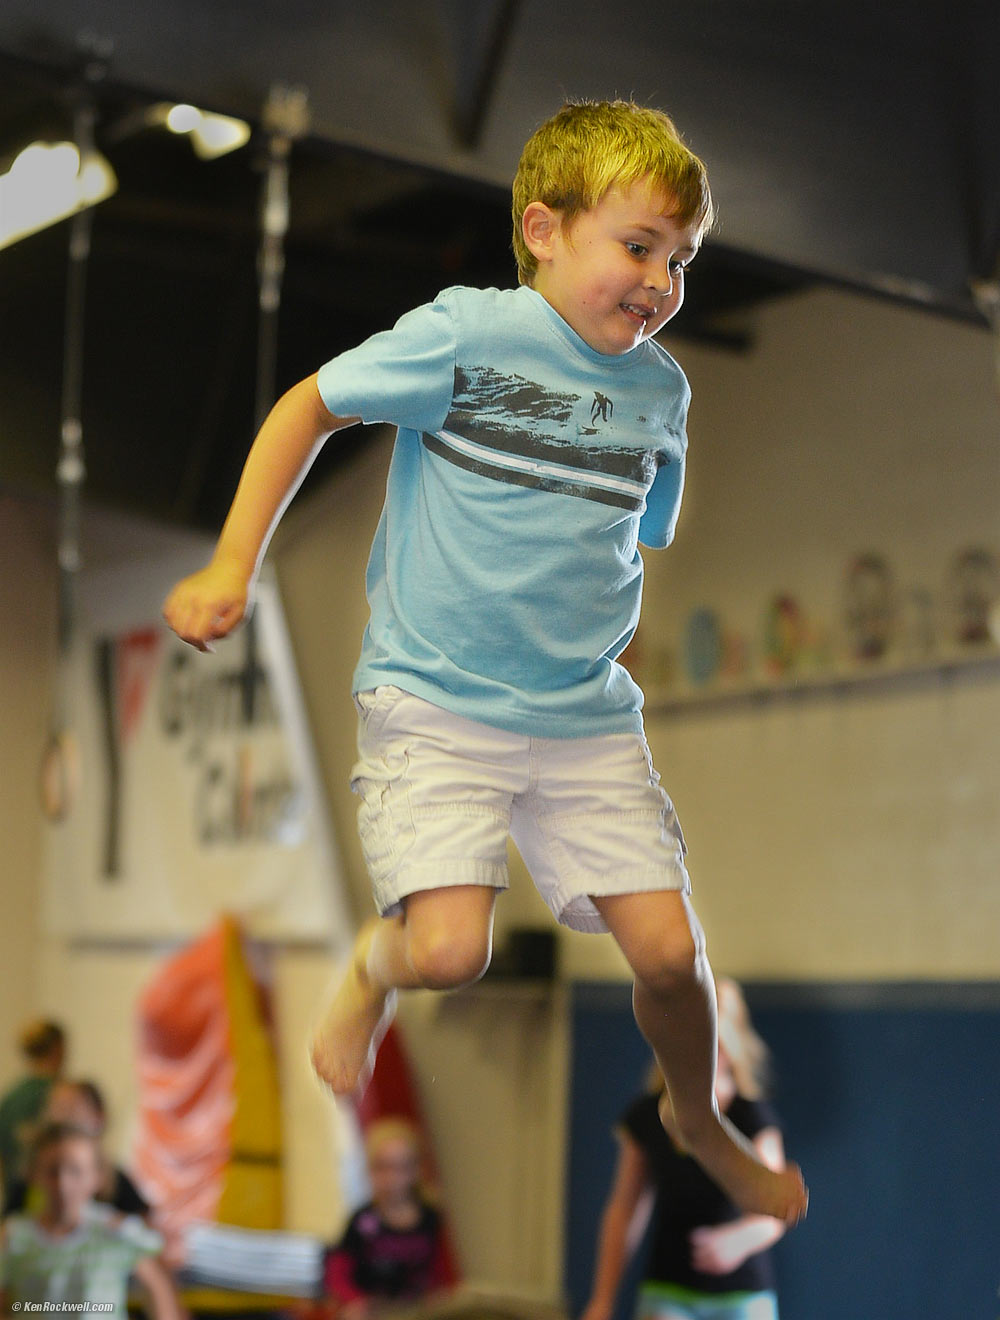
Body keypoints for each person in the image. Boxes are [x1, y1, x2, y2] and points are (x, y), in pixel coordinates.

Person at [162, 98, 808, 1226]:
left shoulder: (662, 394)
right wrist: (230, 567)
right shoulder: (464, 335)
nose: (661, 282)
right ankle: (375, 966)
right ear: (545, 229)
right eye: (639, 246)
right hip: (435, 703)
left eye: (683, 260)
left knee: (668, 955)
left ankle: (694, 1116)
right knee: (451, 951)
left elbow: (623, 539)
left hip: (581, 714)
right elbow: (305, 410)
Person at [580, 980, 791, 1320]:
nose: (702, 1056)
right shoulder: (649, 1115)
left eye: (713, 1045)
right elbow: (625, 1210)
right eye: (692, 1043)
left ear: (729, 1046)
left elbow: (775, 1212)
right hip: (669, 1288)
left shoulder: (751, 1115)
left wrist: (739, 1240)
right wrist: (602, 1300)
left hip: (741, 1291)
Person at [0, 1122, 183, 1318]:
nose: (63, 1183)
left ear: (96, 1176)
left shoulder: (115, 1231)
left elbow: (157, 1285)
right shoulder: (15, 1235)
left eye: (75, 1170)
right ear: (35, 1172)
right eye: (53, 1170)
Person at [325, 1118, 452, 1318]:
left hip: (418, 1309)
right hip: (372, 1310)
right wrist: (354, 1300)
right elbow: (338, 1271)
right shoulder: (363, 1221)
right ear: (370, 1170)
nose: (391, 1179)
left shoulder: (431, 1218)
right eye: (382, 1168)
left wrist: (439, 1297)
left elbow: (443, 1271)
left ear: (415, 1171)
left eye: (399, 1168)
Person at [2, 1078, 150, 1219]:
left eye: (70, 1108)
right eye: (55, 1107)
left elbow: (146, 1225)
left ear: (98, 1117)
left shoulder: (117, 1183)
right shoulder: (28, 1179)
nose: (60, 1118)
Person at [0, 1019, 65, 1191]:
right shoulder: (61, 1095)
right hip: (49, 1197)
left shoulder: (10, 1097)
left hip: (14, 1193)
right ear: (58, 1049)